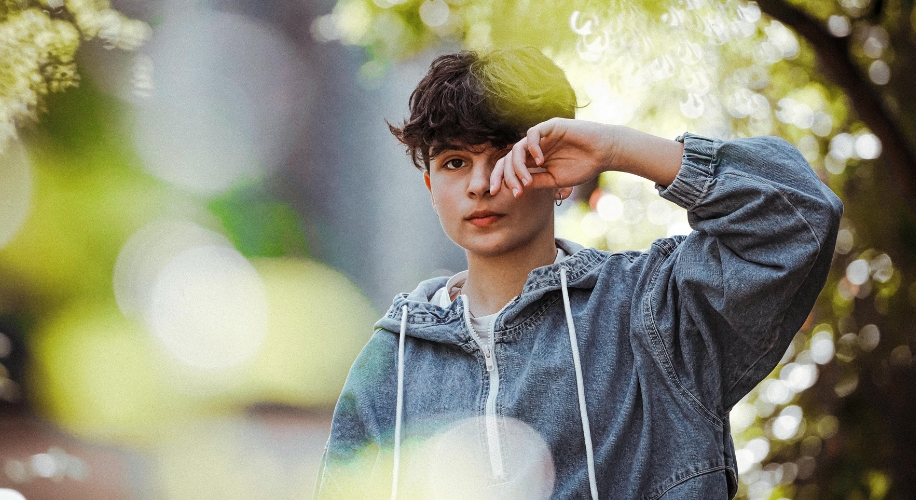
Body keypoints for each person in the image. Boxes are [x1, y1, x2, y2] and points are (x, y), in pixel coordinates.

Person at [314, 47, 843, 499]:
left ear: (560, 174)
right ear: (430, 186)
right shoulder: (393, 360)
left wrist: (615, 149)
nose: (480, 184)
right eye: (453, 162)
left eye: (503, 156)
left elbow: (797, 218)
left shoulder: (653, 311)